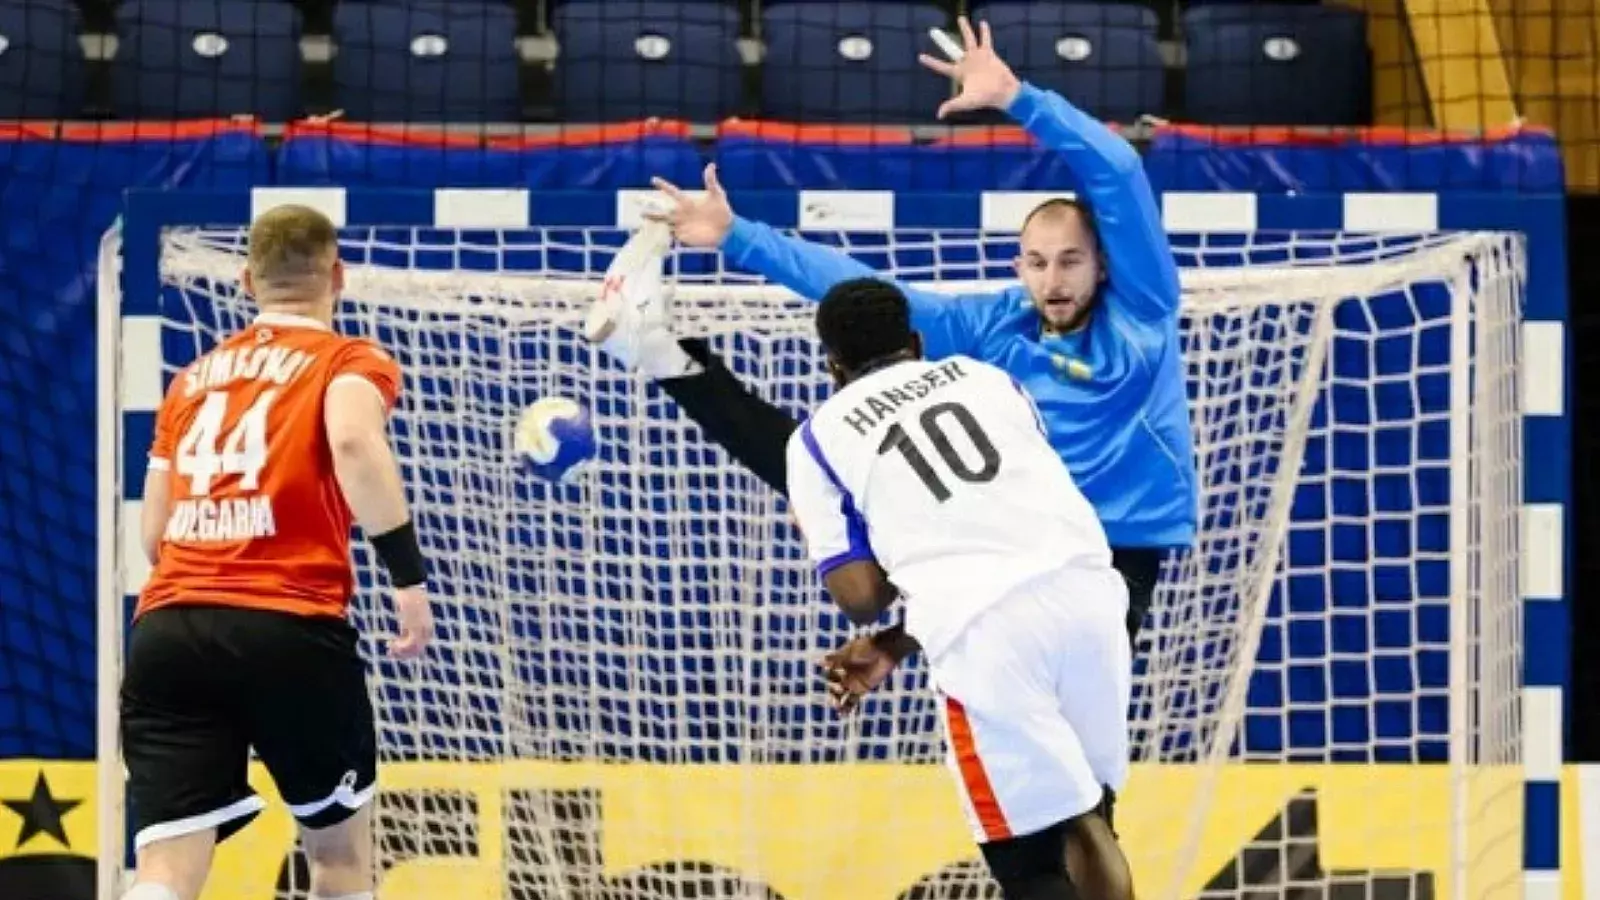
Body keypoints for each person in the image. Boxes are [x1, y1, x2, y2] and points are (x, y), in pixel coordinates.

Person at [594, 16, 1195, 648]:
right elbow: (868, 294)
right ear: (1018, 266)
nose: (1054, 281)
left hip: (1113, 542)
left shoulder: (1143, 308)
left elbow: (1119, 172)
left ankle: (897, 641)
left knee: (1058, 704)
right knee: (816, 453)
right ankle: (672, 364)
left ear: (1102, 265)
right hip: (1007, 532)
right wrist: (737, 236)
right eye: (1038, 263)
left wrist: (1019, 98)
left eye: (1071, 261)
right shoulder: (995, 324)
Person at [118, 204, 434, 900]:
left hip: (171, 628)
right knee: (337, 859)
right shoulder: (350, 359)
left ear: (245, 281)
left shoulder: (192, 379)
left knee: (165, 873)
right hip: (289, 624)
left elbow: (154, 534)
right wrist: (408, 578)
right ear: (338, 275)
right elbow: (352, 440)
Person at [790, 277, 1135, 900]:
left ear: (834, 367)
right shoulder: (987, 378)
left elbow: (860, 596)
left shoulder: (818, 435)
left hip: (988, 636)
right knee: (1088, 813)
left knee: (1029, 856)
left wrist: (878, 530)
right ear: (916, 342)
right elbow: (1003, 518)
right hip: (1090, 596)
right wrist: (898, 641)